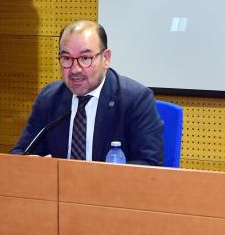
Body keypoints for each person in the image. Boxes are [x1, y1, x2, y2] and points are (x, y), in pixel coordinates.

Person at [11, 20, 163, 164]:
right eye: (66, 58)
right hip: (59, 189)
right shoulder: (49, 98)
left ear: (106, 58)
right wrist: (32, 164)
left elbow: (150, 165)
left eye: (85, 58)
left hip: (110, 190)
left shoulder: (136, 100)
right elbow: (19, 154)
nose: (75, 69)